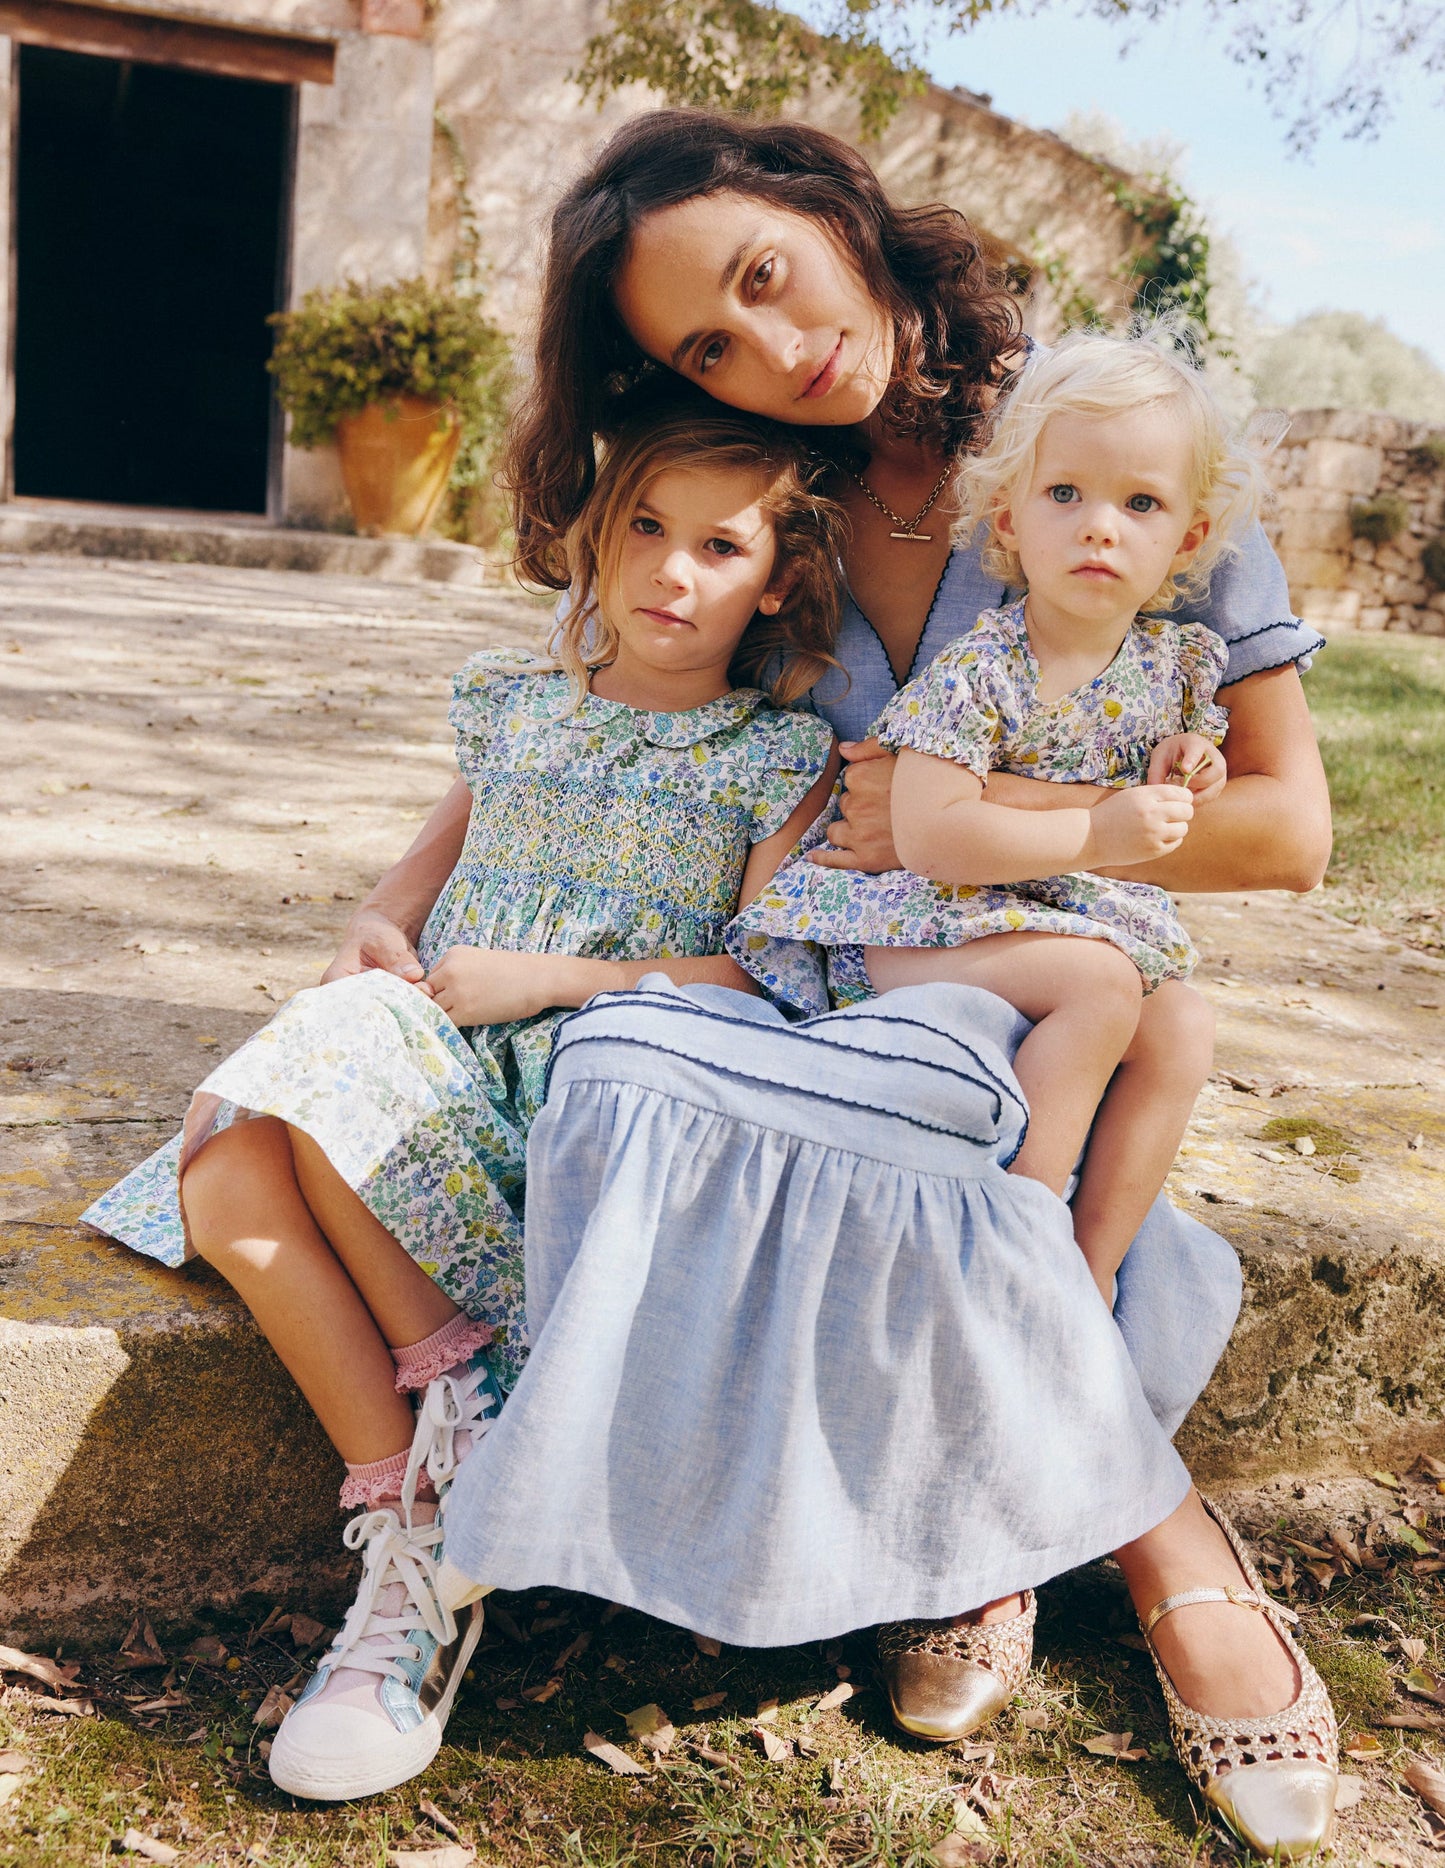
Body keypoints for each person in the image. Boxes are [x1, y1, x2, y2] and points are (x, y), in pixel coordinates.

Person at [424, 112, 1336, 1859]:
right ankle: (1108, 1528)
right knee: (894, 1079)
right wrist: (411, 906)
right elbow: (580, 711)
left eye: (768, 277)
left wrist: (977, 816)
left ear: (835, 209)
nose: (776, 349)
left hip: (1054, 955)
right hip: (857, 982)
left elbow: (1288, 832)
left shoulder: (1115, 450)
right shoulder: (757, 507)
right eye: (710, 346)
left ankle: (1086, 1529)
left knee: (1149, 1022)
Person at [81, 399, 843, 1801]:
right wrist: (372, 935)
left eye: (719, 547)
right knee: (223, 1171)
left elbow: (762, 978)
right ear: (598, 540)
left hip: (558, 1094)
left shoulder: (772, 756)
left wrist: (549, 977)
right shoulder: (515, 704)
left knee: (304, 1097)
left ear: (779, 579)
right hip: (419, 1048)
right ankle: (434, 1489)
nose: (672, 571)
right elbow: (402, 894)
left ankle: (450, 1469)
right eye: (645, 529)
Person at [729, 328, 1260, 1305]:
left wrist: (1196, 763)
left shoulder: (1174, 666)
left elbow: (1188, 760)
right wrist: (1096, 832)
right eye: (1065, 494)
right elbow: (930, 836)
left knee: (1182, 1023)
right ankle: (1015, 1233)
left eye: (1139, 503)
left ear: (1186, 540)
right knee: (1099, 984)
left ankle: (1088, 1268)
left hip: (1045, 919)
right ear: (1009, 520)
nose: (1099, 528)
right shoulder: (978, 669)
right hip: (906, 922)